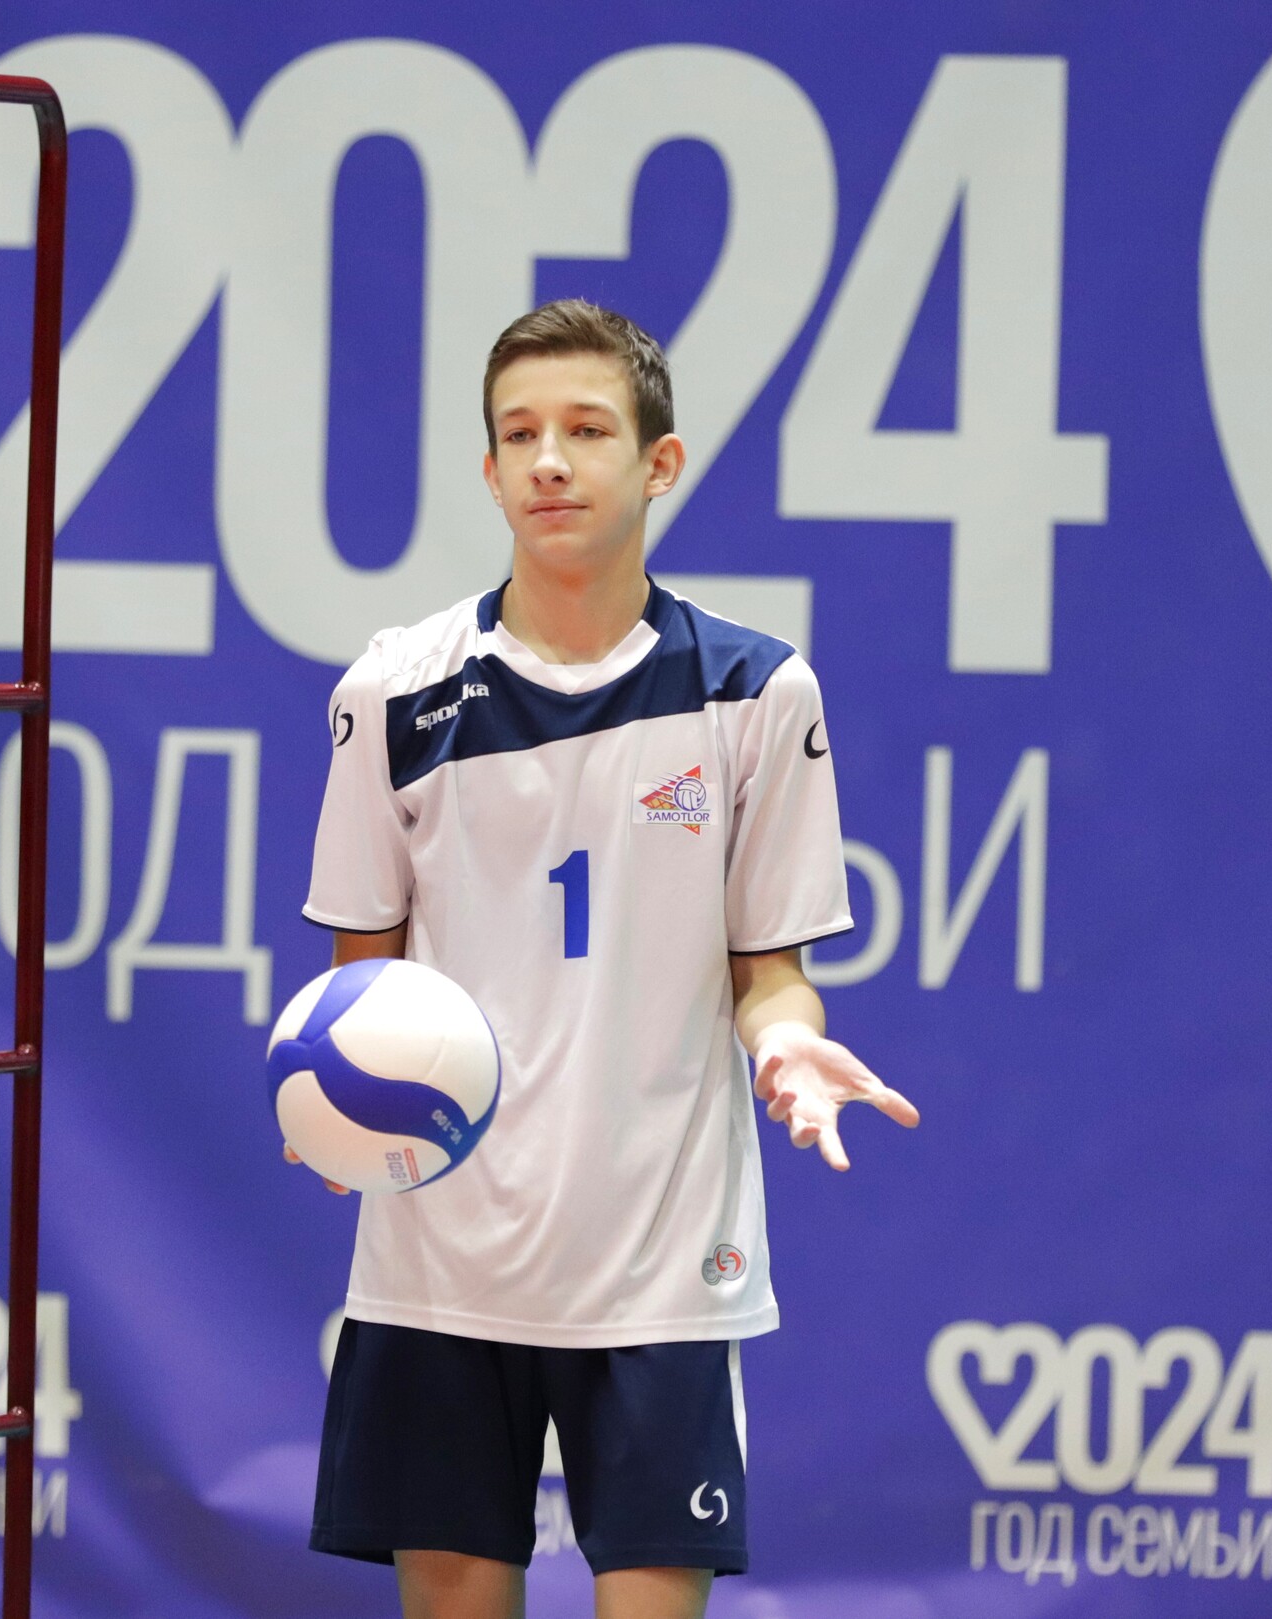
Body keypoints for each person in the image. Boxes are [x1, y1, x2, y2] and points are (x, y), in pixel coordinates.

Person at [290, 299, 920, 1619]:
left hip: (662, 1265)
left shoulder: (755, 693)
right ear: (488, 471)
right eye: (519, 435)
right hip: (440, 1265)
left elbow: (772, 970)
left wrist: (789, 1041)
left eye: (585, 430)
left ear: (661, 463)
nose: (550, 462)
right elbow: (366, 988)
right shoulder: (392, 691)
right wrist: (332, 1098)